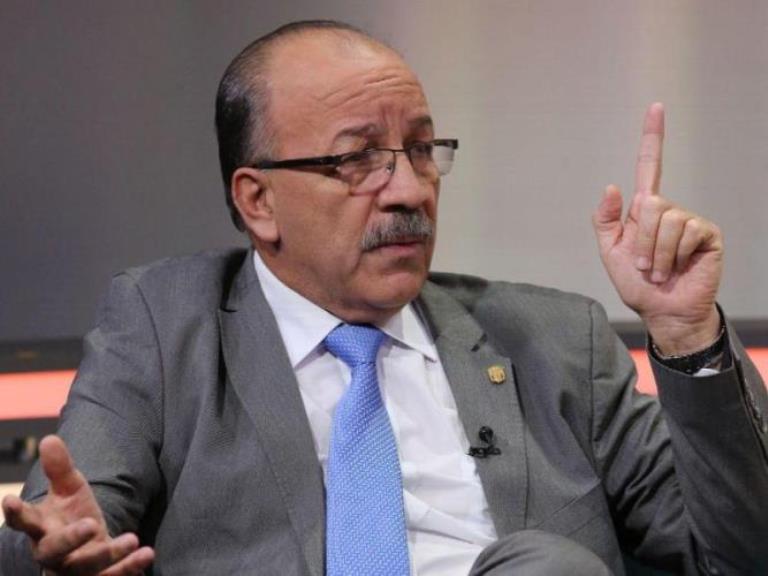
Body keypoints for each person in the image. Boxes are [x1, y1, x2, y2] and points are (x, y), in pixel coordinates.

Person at [2, 19, 767, 576]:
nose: (409, 189)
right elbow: (55, 526)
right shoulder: (165, 325)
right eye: (358, 158)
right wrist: (55, 555)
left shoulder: (556, 339)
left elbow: (743, 553)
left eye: (421, 150)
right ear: (259, 201)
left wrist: (686, 331)